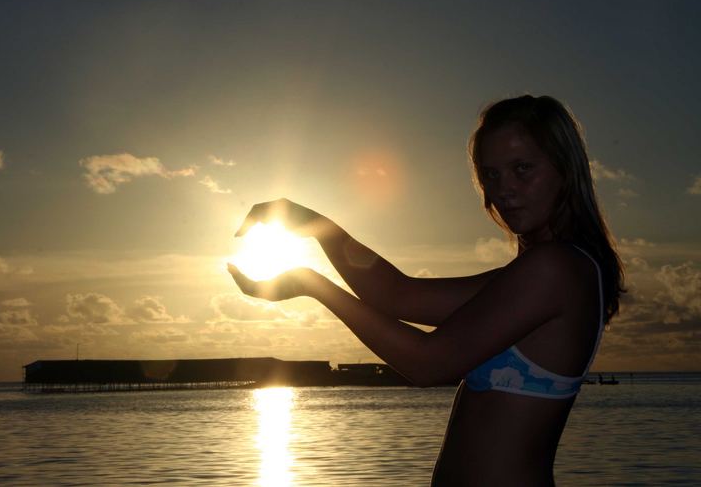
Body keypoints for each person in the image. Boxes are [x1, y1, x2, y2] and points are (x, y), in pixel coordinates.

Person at [228, 94, 624, 486]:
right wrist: (313, 224)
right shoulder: (532, 276)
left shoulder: (554, 269)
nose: (504, 189)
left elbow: (428, 364)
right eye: (492, 175)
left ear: (564, 169)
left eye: (522, 168)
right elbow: (398, 295)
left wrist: (313, 284)